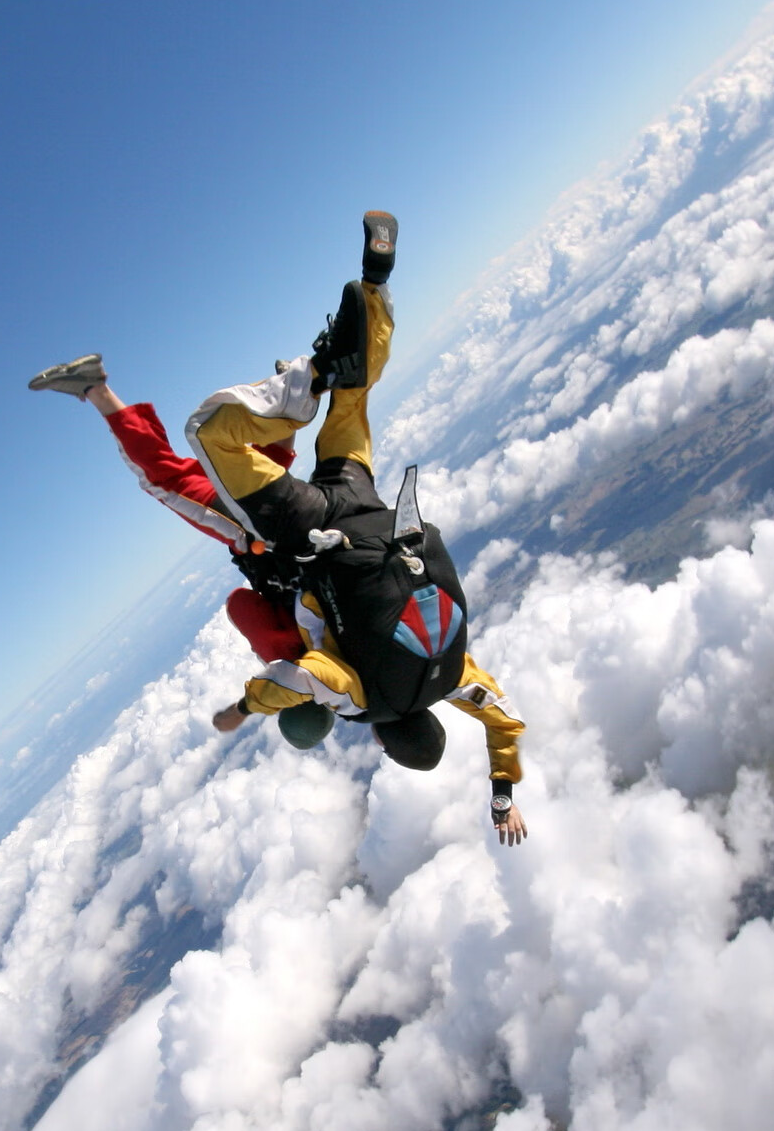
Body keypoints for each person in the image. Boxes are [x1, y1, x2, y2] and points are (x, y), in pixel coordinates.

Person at [184, 214, 529, 845]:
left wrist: (502, 795)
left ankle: (376, 283)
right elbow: (296, 681)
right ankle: (308, 375)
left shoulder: (458, 679)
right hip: (311, 527)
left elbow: (505, 722)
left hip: (371, 506)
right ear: (386, 743)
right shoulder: (364, 698)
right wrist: (241, 709)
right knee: (210, 434)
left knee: (354, 404)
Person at [28, 353, 307, 664]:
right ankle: (95, 388)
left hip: (302, 524)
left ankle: (292, 392)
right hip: (256, 537)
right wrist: (269, 655)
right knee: (163, 480)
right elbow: (240, 605)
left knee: (265, 475)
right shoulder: (293, 659)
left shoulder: (345, 637)